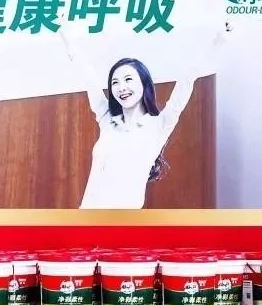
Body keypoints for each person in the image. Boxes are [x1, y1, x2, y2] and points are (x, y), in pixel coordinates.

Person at [59, 22, 233, 209]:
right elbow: (88, 74)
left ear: (144, 84)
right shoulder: (107, 119)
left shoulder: (160, 125)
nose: (121, 87)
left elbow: (188, 77)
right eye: (115, 82)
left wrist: (218, 41)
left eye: (128, 79)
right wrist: (66, 36)